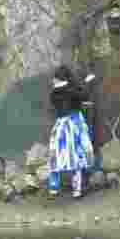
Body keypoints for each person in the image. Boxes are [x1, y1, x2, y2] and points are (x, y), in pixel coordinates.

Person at [47, 65, 94, 198]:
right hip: (74, 124)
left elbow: (62, 101)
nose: (53, 80)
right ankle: (77, 190)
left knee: (55, 155)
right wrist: (86, 82)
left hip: (60, 126)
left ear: (59, 78)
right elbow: (84, 96)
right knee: (77, 156)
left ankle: (54, 187)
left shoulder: (54, 93)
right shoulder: (71, 90)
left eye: (55, 78)